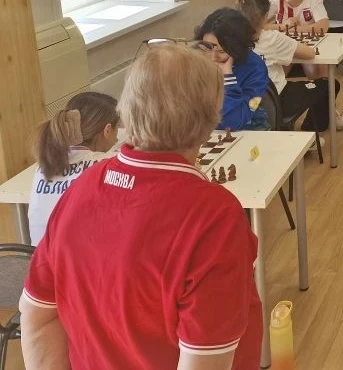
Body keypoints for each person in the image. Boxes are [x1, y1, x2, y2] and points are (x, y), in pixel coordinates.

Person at [20, 44, 263, 369]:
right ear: (209, 120)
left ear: (127, 109)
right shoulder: (215, 216)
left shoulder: (80, 189)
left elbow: (38, 317)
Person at [237, 0, 343, 133]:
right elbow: (309, 53)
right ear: (265, 16)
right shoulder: (271, 38)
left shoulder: (230, 41)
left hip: (244, 104)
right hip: (278, 100)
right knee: (329, 84)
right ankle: (310, 133)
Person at [28, 92, 119, 245]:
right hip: (76, 258)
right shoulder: (105, 164)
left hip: (39, 257)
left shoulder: (45, 162)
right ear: (108, 130)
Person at [195, 8, 270, 131]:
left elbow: (232, 121)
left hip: (250, 130)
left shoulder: (256, 70)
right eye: (207, 48)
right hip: (206, 131)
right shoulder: (197, 59)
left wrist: (227, 78)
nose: (213, 58)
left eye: (221, 51)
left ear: (237, 48)